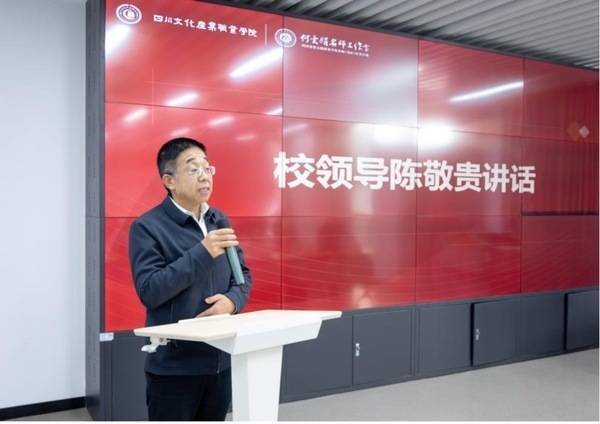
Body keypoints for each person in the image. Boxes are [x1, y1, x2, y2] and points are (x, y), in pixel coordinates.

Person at [128, 137, 252, 421]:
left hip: (221, 360)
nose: (204, 176)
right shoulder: (147, 227)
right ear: (169, 181)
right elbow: (150, 290)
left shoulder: (218, 219)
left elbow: (242, 275)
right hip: (175, 369)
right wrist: (202, 253)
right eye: (193, 169)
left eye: (207, 168)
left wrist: (232, 302)